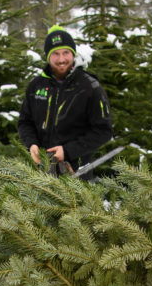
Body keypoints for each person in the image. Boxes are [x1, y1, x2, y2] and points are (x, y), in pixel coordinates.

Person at [17, 25, 114, 178]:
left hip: (77, 172)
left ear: (73, 54)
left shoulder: (90, 87)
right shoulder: (36, 86)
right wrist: (32, 144)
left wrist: (68, 151)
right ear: (48, 56)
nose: (61, 59)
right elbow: (25, 122)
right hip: (41, 171)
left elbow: (104, 131)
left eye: (66, 53)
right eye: (55, 53)